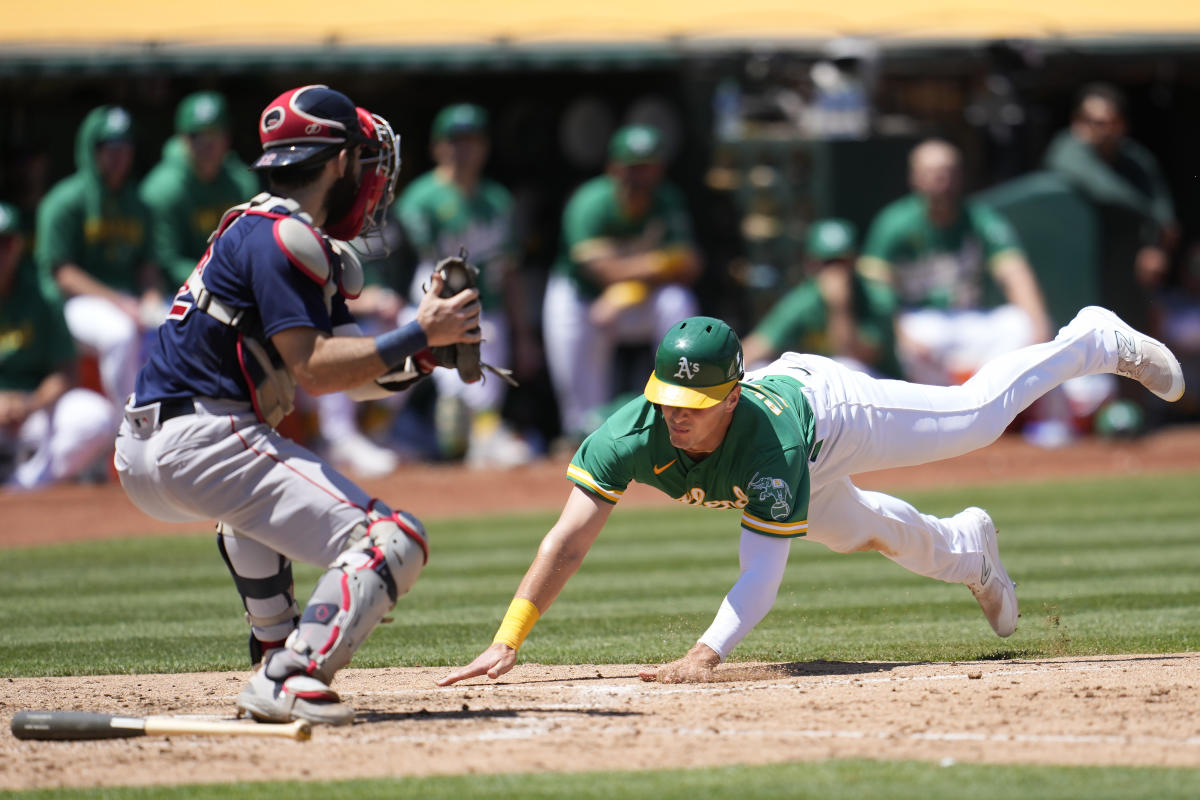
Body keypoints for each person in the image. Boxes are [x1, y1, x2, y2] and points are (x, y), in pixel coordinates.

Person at [439, 308, 1184, 687]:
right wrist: (509, 638)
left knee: (977, 419)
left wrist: (706, 653)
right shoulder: (628, 435)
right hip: (800, 450)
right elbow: (565, 541)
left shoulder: (769, 445)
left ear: (731, 395)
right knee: (862, 532)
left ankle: (1091, 339)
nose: (679, 413)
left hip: (832, 417)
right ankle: (969, 554)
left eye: (696, 400)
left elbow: (760, 573)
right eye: (670, 398)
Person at [114, 85, 483, 725]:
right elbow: (314, 370)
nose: (371, 178)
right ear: (338, 162)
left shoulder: (263, 228)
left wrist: (420, 357)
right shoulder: (287, 237)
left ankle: (275, 647)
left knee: (250, 514)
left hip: (147, 445)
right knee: (391, 540)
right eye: (363, 160)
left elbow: (346, 369)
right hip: (201, 438)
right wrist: (422, 331)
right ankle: (291, 674)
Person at [395, 103, 537, 467]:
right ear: (437, 147)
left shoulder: (497, 200)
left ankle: (482, 436)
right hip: (426, 306)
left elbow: (509, 272)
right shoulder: (420, 198)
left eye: (472, 141)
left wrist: (524, 335)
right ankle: (389, 432)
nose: (464, 150)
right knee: (403, 373)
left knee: (480, 381)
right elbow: (411, 264)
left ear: (485, 147)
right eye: (455, 141)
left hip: (484, 309)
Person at [543, 123, 701, 442]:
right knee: (582, 409)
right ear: (614, 168)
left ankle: (682, 409)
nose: (640, 176)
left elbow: (690, 266)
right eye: (633, 167)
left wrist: (627, 290)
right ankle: (582, 440)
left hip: (632, 302)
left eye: (648, 167)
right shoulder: (590, 201)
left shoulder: (667, 200)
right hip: (581, 299)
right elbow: (603, 271)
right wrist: (660, 262)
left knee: (677, 301)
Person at [858, 138, 1052, 387]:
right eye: (931, 173)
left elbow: (1015, 272)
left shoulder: (980, 219)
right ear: (914, 178)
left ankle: (984, 400)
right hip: (921, 321)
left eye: (948, 172)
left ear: (961, 176)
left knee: (1020, 324)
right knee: (914, 341)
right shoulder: (894, 223)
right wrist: (899, 335)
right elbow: (877, 291)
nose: (941, 181)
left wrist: (1039, 328)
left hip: (970, 320)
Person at [35, 104, 162, 408]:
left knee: (175, 325)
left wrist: (152, 297)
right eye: (110, 147)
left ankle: (171, 429)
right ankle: (130, 428)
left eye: (125, 147)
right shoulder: (66, 200)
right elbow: (62, 274)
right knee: (119, 334)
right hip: (71, 304)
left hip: (125, 299)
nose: (119, 156)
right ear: (92, 150)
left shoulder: (138, 201)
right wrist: (119, 302)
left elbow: (148, 265)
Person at [1043, 83, 1178, 331]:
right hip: (1080, 264)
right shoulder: (1067, 150)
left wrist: (1155, 249)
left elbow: (1165, 215)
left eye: (1107, 122)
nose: (1100, 130)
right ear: (1077, 123)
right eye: (1092, 121)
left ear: (1122, 124)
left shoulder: (1135, 159)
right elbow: (1105, 191)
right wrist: (1144, 211)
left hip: (1127, 262)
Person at [0, 202, 116, 490]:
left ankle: (24, 485)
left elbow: (67, 372)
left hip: (33, 411)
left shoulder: (42, 295)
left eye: (6, 242)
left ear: (18, 245)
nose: (1, 252)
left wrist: (29, 404)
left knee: (96, 416)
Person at [741, 218, 900, 377]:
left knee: (848, 366)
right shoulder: (806, 298)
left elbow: (856, 357)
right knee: (758, 369)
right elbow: (757, 346)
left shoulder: (875, 296)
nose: (835, 272)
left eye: (841, 262)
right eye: (827, 263)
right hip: (827, 389)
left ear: (854, 261)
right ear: (810, 264)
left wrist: (839, 308)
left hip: (880, 384)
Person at [139, 91, 259, 289]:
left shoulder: (242, 182)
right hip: (181, 291)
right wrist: (222, 275)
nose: (207, 144)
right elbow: (165, 262)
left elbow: (254, 246)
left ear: (227, 137)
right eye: (197, 136)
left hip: (236, 283)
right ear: (182, 139)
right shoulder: (162, 188)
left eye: (214, 134)